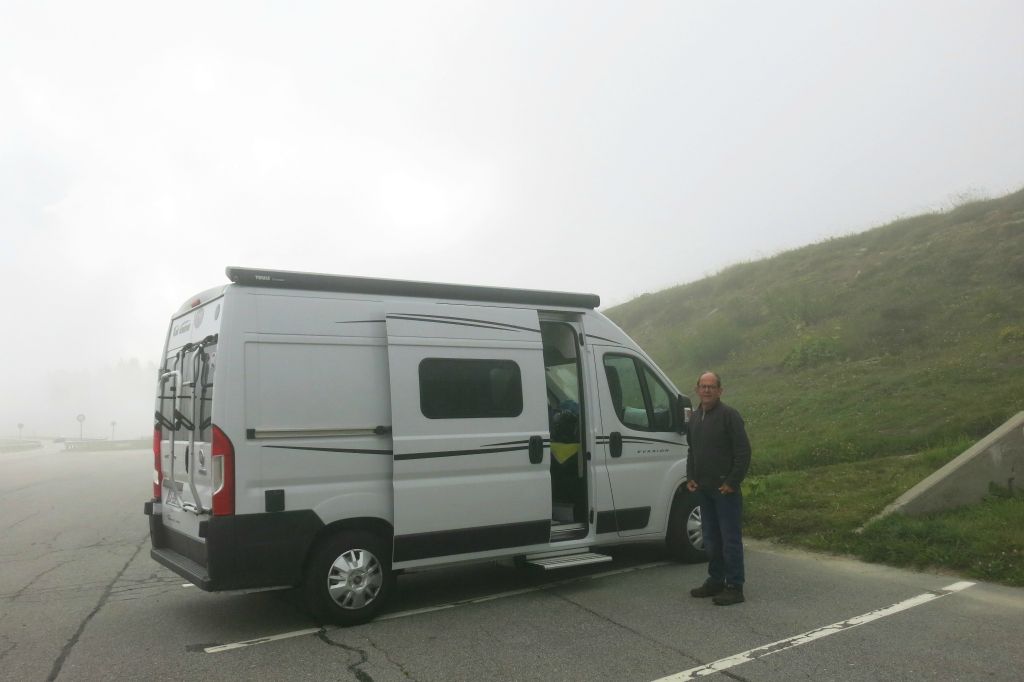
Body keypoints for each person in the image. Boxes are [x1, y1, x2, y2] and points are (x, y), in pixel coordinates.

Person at [686, 371, 752, 606]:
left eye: (711, 387)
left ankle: (735, 586)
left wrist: (731, 482)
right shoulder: (694, 417)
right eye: (703, 386)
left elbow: (743, 452)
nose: (706, 390)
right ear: (697, 390)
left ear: (720, 391)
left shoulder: (729, 416)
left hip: (725, 491)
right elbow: (692, 450)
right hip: (703, 489)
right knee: (711, 539)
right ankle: (716, 580)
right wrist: (690, 476)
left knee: (729, 539)